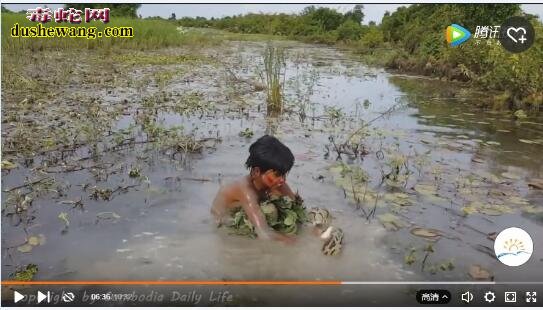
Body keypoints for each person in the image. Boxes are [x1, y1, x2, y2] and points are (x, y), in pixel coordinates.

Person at [211, 135, 300, 243]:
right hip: (224, 221)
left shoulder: (278, 184)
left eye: (283, 175)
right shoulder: (245, 191)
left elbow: (296, 209)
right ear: (256, 172)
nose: (282, 180)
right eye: (276, 175)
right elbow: (264, 233)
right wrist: (291, 241)